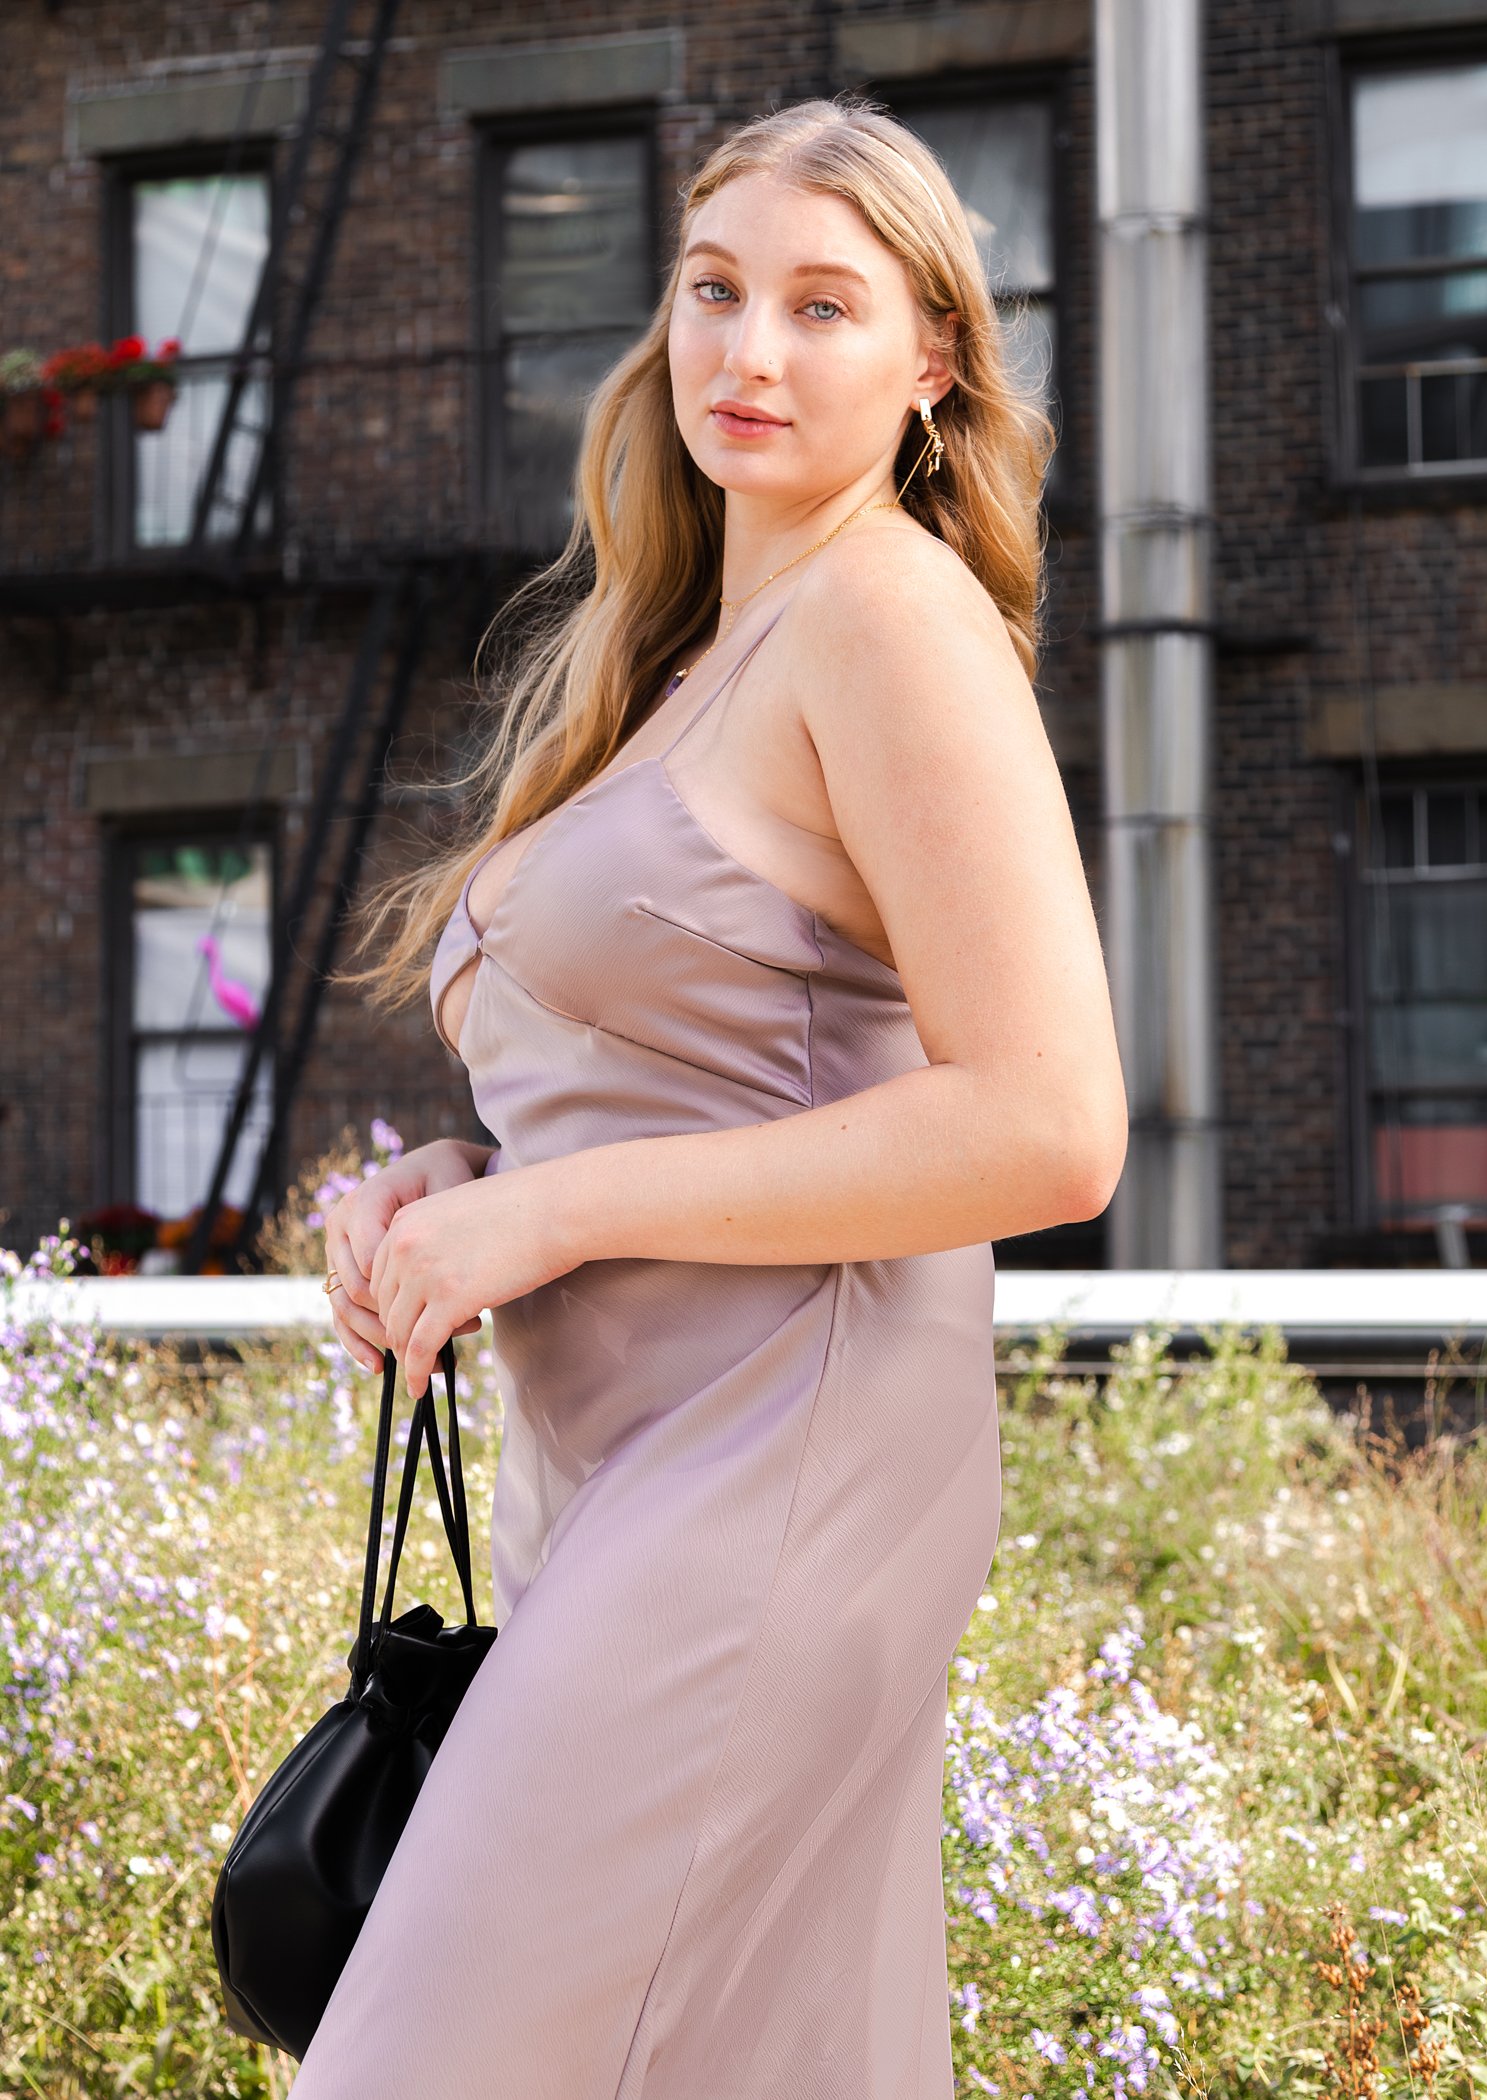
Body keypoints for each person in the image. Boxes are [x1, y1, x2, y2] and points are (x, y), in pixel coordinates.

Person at [305, 94, 1127, 2100]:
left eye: (825, 307)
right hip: (625, 1465)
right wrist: (451, 1183)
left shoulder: (889, 616)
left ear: (934, 360)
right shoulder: (670, 657)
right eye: (714, 290)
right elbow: (649, 1086)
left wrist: (550, 1218)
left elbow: (1049, 1123)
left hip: (788, 1459)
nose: (750, 354)